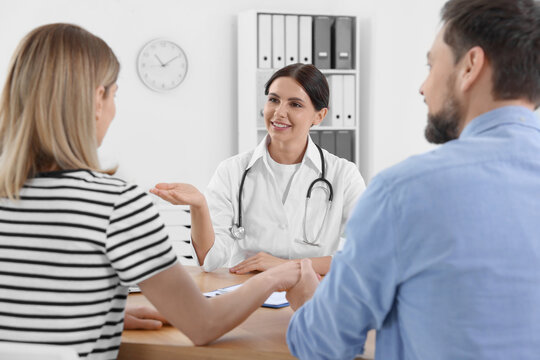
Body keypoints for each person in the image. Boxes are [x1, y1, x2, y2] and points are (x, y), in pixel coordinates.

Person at [0, 23, 301, 360]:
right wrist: (274, 278)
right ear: (97, 99)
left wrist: (105, 316)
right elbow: (202, 325)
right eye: (114, 94)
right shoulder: (113, 205)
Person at [286, 0, 540, 359]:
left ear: (470, 66)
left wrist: (312, 302)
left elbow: (323, 344)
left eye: (431, 64)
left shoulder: (404, 192)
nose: (423, 87)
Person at [151, 63, 365, 275]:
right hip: (249, 295)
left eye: (295, 104)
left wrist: (285, 266)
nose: (279, 112)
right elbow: (211, 260)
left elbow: (365, 255)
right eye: (274, 100)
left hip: (313, 297)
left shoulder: (343, 175)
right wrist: (199, 207)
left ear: (319, 116)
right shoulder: (231, 171)